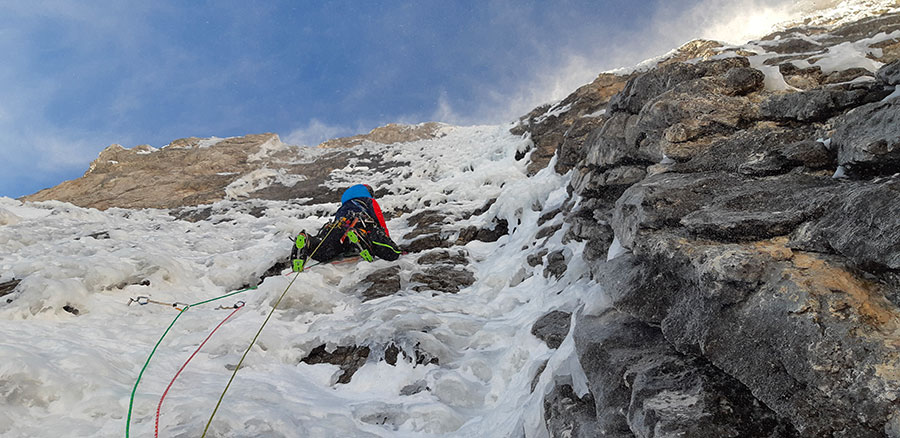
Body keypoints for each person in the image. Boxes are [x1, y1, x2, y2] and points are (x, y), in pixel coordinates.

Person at [291, 184, 402, 271]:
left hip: (337, 227)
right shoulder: (368, 201)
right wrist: (386, 239)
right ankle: (360, 237)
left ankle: (308, 241)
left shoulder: (342, 208)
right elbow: (380, 222)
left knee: (324, 252)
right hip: (360, 223)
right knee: (392, 253)